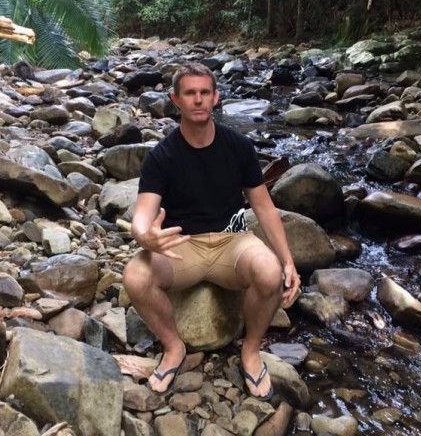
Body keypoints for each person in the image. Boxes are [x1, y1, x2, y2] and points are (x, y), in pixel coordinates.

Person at [123, 62, 300, 400]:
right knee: (135, 276)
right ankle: (174, 347)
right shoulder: (162, 156)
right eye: (190, 93)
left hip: (232, 242)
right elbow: (143, 214)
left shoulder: (238, 147)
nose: (198, 99)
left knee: (269, 271)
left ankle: (251, 350)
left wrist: (288, 260)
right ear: (176, 100)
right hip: (181, 246)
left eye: (205, 92)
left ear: (216, 97)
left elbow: (264, 208)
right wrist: (144, 236)